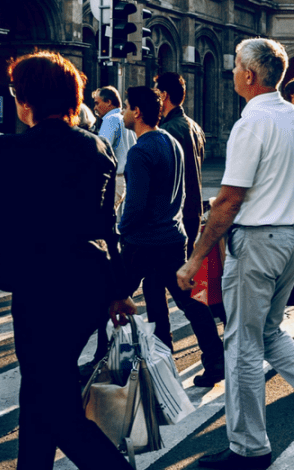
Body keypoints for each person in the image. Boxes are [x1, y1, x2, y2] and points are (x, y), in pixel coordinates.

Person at [0, 51, 171, 470]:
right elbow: (105, 227)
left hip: (40, 289)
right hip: (87, 286)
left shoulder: (6, 153)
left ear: (26, 100)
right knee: (40, 393)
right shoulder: (94, 148)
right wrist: (115, 290)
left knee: (55, 405)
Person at [176, 38, 294, 470]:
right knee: (269, 333)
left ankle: (248, 446)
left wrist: (195, 257)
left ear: (249, 75)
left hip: (258, 241)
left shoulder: (250, 124)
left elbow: (229, 200)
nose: (233, 70)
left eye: (236, 65)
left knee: (240, 344)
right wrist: (281, 184)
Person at [117, 86, 226, 386]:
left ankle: (108, 360)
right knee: (186, 300)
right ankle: (214, 359)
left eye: (126, 107)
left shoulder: (140, 151)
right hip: (172, 236)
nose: (124, 112)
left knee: (112, 295)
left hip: (142, 242)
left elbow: (135, 204)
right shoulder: (171, 142)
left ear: (137, 112)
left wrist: (121, 230)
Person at [154, 72, 205, 254]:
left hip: (173, 215)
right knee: (182, 272)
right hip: (193, 210)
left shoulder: (166, 130)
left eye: (156, 92)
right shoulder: (195, 127)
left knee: (158, 277)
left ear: (164, 95)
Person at [93, 85, 136, 206]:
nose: (95, 108)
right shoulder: (126, 118)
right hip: (127, 179)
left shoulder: (110, 119)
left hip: (115, 180)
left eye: (97, 103)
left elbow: (101, 149)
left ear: (108, 102)